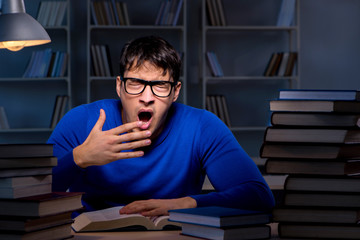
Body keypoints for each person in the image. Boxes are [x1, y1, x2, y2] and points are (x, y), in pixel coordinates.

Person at [47, 35, 275, 217]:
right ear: (119, 86)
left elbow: (259, 196)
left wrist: (185, 203)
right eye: (135, 83)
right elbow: (29, 195)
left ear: (175, 91)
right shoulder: (81, 121)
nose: (147, 97)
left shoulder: (202, 127)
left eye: (160, 85)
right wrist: (79, 158)